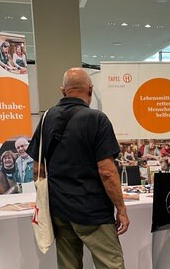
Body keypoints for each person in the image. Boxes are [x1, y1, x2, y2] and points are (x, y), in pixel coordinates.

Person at [26, 67, 129, 268]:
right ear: (90, 90)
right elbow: (107, 172)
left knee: (68, 265)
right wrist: (121, 210)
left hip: (59, 211)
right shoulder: (97, 119)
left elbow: (38, 170)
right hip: (93, 211)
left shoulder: (46, 119)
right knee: (111, 264)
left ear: (63, 91)